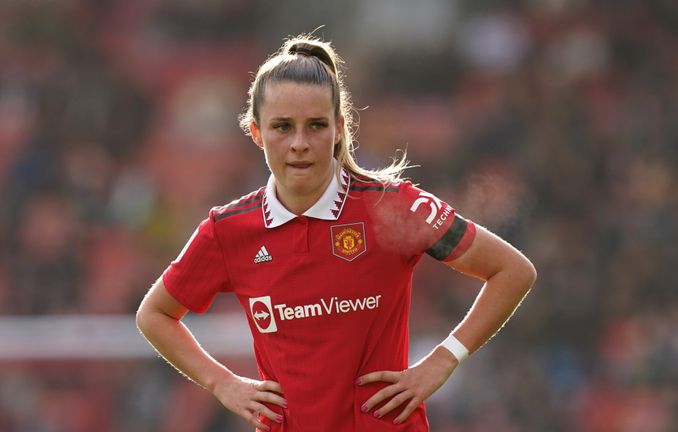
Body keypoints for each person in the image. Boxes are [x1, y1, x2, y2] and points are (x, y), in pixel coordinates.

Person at [136, 34, 536, 432]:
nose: (299, 143)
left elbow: (512, 271)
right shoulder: (229, 230)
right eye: (282, 127)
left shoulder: (390, 206)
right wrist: (223, 383)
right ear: (256, 132)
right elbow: (154, 315)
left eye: (315, 126)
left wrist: (443, 359)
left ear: (340, 128)